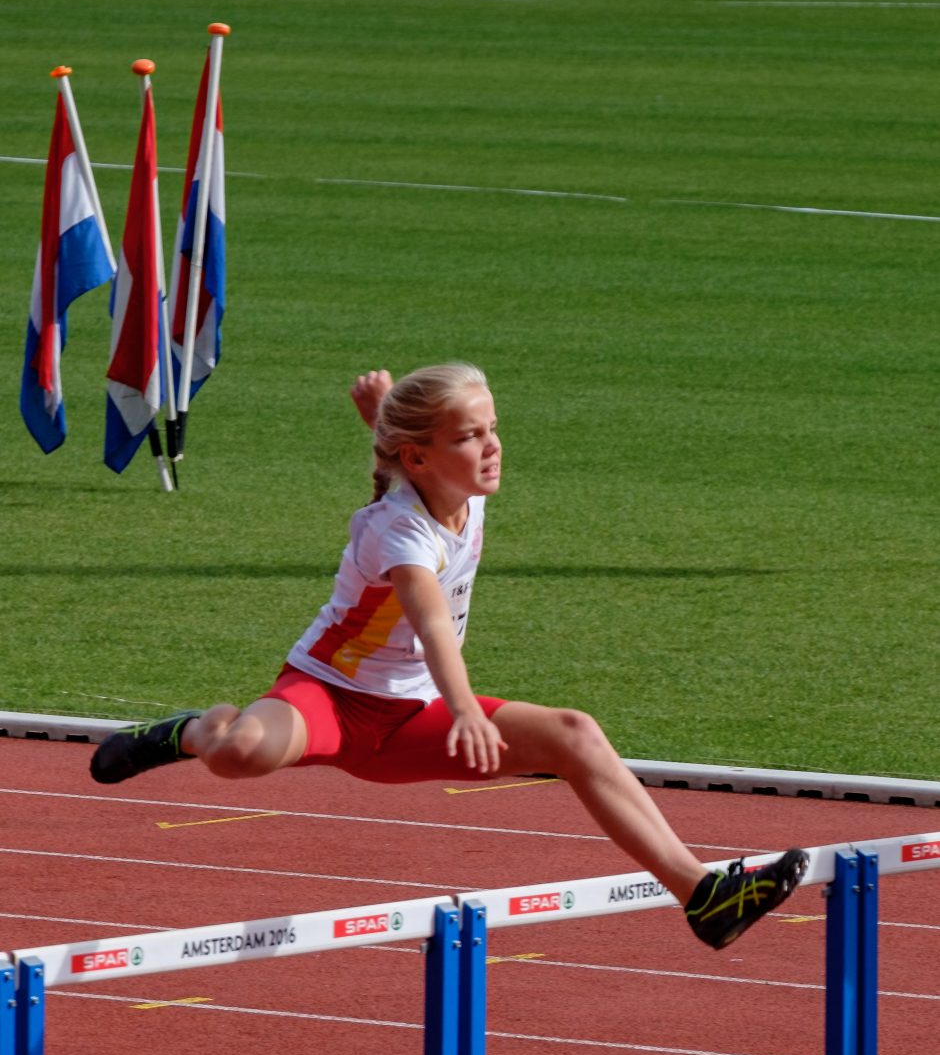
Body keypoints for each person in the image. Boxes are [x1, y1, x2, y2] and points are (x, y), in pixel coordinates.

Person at [91, 362, 807, 949]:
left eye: (493, 429)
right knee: (241, 752)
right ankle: (191, 729)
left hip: (411, 721)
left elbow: (408, 451)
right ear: (421, 457)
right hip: (330, 699)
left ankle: (702, 895)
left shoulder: (458, 484)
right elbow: (431, 623)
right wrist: (464, 707)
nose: (491, 447)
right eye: (471, 436)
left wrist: (380, 409)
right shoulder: (399, 531)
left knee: (576, 733)